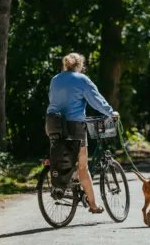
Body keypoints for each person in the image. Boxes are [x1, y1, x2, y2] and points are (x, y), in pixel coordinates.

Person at [46, 52, 119, 213]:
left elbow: (53, 99)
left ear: (66, 64)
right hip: (73, 125)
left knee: (61, 154)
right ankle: (93, 205)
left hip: (52, 123)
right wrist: (109, 112)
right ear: (79, 66)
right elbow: (96, 99)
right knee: (83, 167)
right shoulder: (81, 79)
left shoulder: (55, 79)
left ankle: (65, 184)